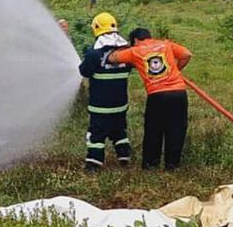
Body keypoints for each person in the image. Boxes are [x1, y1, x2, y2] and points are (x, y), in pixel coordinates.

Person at [107, 29, 193, 170]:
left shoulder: (135, 51)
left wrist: (121, 48)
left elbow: (113, 58)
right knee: (176, 130)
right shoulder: (166, 45)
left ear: (135, 40)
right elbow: (187, 54)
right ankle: (172, 166)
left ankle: (151, 165)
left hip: (157, 95)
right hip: (179, 93)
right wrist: (176, 70)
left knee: (154, 130)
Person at [78, 13, 132, 171]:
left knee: (96, 134)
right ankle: (124, 156)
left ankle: (93, 163)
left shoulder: (94, 54)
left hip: (100, 106)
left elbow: (84, 71)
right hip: (120, 104)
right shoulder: (127, 51)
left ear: (96, 28)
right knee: (119, 130)